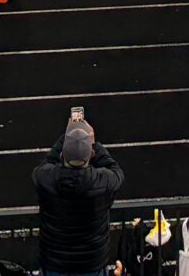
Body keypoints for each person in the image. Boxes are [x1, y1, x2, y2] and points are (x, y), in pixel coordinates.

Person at [33, 114, 125, 276]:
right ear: (91, 155)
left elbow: (46, 162)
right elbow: (115, 169)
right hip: (92, 264)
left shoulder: (45, 177)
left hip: (54, 263)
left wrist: (69, 135)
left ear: (62, 155)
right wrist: (92, 141)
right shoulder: (103, 181)